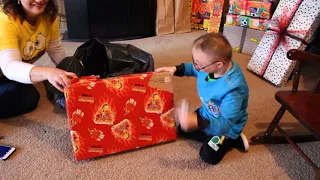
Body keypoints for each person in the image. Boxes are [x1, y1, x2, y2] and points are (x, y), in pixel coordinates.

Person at [155, 33, 249, 165]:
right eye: (195, 62)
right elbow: (193, 69)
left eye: (200, 65)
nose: (197, 67)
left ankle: (233, 139)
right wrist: (176, 69)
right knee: (182, 129)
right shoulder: (209, 68)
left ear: (219, 65)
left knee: (208, 157)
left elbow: (226, 122)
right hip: (208, 112)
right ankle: (208, 133)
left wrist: (198, 122)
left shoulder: (232, 90)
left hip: (225, 126)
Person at [0, 0, 77, 118]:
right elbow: (9, 66)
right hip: (6, 70)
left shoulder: (49, 14)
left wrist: (67, 72)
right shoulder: (5, 20)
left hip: (7, 75)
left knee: (75, 63)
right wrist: (48, 73)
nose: (40, 0)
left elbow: (55, 47)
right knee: (26, 97)